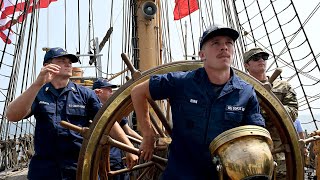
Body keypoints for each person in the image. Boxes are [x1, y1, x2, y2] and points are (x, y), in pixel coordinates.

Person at [131, 24, 265, 179]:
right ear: (202, 55)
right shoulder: (181, 82)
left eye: (229, 43)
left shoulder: (246, 92)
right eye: (216, 43)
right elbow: (138, 92)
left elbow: (256, 139)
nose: (224, 48)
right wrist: (148, 135)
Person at [5, 47, 137, 180]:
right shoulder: (37, 93)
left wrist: (128, 147)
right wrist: (37, 84)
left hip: (79, 168)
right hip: (44, 170)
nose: (68, 64)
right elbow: (12, 116)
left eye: (70, 61)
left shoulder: (86, 94)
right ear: (47, 65)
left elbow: (108, 122)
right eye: (62, 60)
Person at [243, 47, 299, 180]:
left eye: (264, 57)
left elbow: (293, 113)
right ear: (246, 65)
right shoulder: (240, 88)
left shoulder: (283, 87)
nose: (261, 60)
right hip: (250, 158)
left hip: (282, 155)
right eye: (256, 58)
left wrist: (267, 107)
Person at [92, 79, 142, 180]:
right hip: (99, 159)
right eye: (108, 89)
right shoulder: (90, 109)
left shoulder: (115, 112)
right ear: (98, 91)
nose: (112, 92)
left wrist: (144, 141)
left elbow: (128, 131)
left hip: (115, 159)